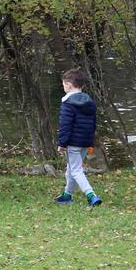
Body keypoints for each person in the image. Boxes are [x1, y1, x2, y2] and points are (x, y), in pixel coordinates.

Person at [55, 68, 102, 207]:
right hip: (85, 141)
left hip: (73, 143)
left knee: (76, 170)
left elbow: (65, 125)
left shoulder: (68, 103)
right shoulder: (90, 102)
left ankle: (91, 196)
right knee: (72, 169)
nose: (63, 87)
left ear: (69, 85)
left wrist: (62, 143)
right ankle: (67, 195)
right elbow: (93, 123)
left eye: (63, 84)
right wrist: (91, 141)